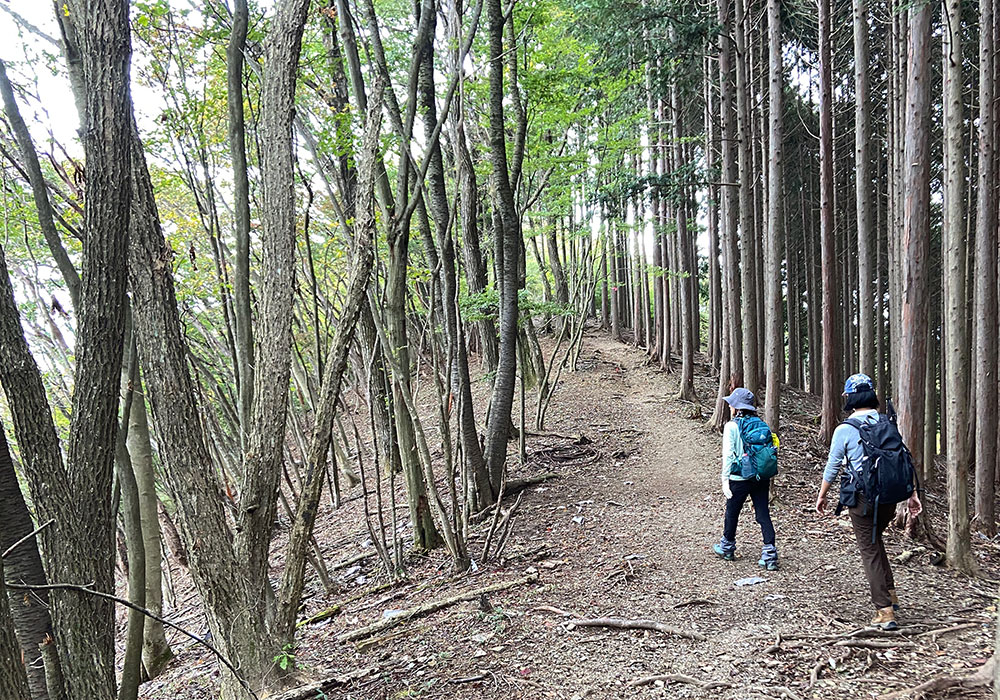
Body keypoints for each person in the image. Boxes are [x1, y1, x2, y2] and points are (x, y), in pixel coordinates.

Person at [815, 373, 923, 630]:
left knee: (870, 550)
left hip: (863, 499)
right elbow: (902, 460)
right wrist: (912, 494)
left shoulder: (845, 429)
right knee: (876, 542)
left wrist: (822, 495)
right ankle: (892, 597)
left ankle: (884, 611)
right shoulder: (885, 421)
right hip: (889, 497)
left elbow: (832, 466)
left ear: (849, 398)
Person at [713, 388, 779, 570]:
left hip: (739, 477)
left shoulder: (731, 426)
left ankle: (727, 547)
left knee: (732, 512)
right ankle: (770, 554)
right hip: (760, 477)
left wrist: (724, 479)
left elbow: (728, 455)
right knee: (763, 513)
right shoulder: (761, 424)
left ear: (736, 407)